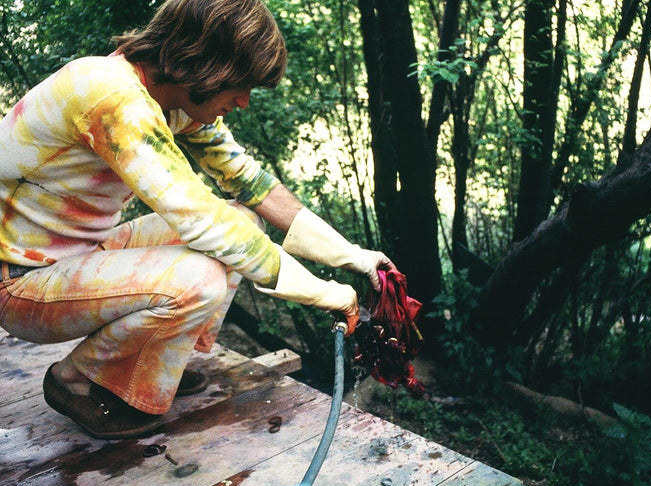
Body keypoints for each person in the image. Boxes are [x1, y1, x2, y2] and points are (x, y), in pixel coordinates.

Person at [0, 0, 394, 440]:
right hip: (19, 284)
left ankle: (151, 364)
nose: (243, 103)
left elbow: (251, 184)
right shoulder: (113, 97)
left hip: (78, 255)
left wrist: (355, 258)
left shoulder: (172, 97)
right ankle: (75, 380)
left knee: (241, 218)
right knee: (202, 273)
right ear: (203, 65)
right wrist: (322, 293)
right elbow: (200, 221)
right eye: (238, 86)